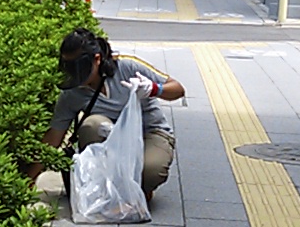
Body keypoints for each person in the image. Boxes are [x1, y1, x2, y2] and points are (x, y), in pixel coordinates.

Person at [28, 28, 185, 206]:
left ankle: (140, 187)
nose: (76, 75)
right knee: (92, 125)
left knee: (150, 171)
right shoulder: (72, 93)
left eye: (81, 68)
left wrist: (154, 89)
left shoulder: (128, 67)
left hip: (149, 132)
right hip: (108, 139)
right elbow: (53, 137)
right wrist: (29, 179)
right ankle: (103, 188)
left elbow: (178, 89)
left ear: (97, 59)